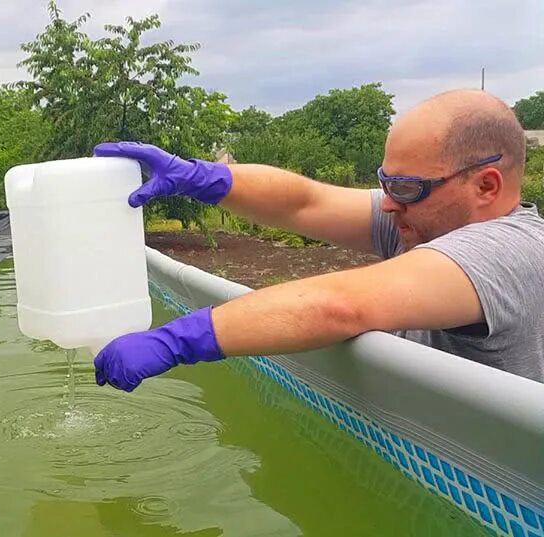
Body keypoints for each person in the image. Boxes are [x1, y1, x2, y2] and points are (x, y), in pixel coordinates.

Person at [90, 89, 544, 391]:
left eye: (405, 188)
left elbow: (340, 304)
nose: (387, 204)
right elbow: (303, 203)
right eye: (386, 182)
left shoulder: (510, 251)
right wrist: (202, 177)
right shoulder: (426, 215)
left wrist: (177, 340)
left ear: (486, 186)